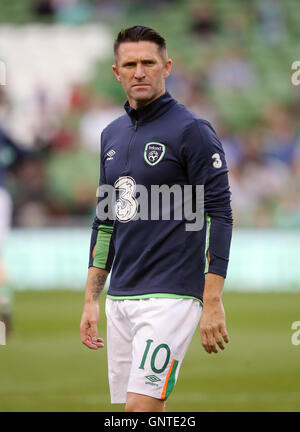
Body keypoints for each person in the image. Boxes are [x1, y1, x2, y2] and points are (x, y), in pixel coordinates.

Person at [80, 26, 233, 412]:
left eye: (148, 63)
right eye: (129, 64)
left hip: (171, 295)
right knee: (146, 411)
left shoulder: (192, 131)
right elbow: (106, 221)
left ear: (166, 67)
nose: (139, 72)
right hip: (121, 297)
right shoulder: (110, 135)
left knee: (138, 410)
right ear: (116, 72)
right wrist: (90, 300)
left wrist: (212, 298)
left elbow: (220, 214)